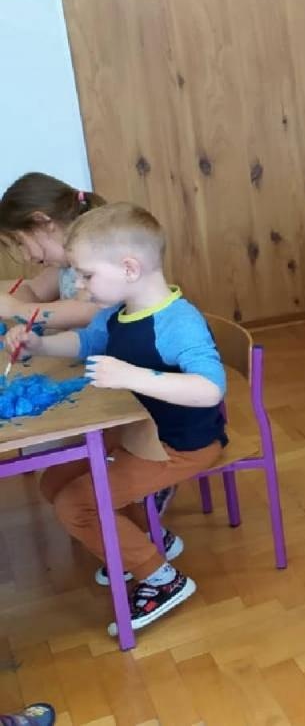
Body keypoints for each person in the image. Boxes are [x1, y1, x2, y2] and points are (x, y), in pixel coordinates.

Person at [6, 203, 227, 635]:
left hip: (180, 446)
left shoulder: (177, 322)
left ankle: (161, 579)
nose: (79, 286)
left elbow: (210, 389)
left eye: (87, 275)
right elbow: (87, 341)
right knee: (53, 482)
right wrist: (40, 346)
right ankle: (149, 539)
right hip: (137, 433)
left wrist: (133, 376)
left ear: (129, 268)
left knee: (76, 505)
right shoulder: (119, 311)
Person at [0, 172, 108, 329]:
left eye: (20, 242)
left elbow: (87, 310)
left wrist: (17, 310)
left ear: (42, 221)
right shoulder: (64, 266)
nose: (26, 257)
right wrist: (7, 305)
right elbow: (33, 291)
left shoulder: (99, 256)